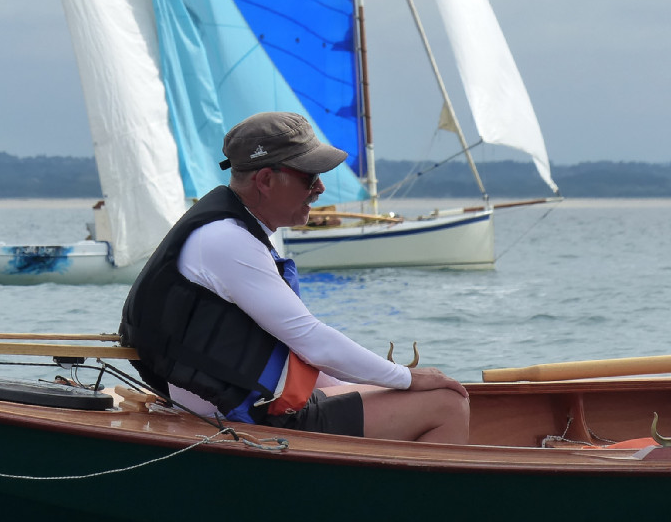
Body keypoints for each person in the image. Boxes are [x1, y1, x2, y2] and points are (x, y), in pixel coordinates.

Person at [120, 112, 469, 444]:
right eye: (308, 177)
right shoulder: (228, 240)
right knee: (446, 404)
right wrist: (407, 378)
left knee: (418, 390)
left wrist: (386, 383)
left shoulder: (230, 231)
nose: (319, 188)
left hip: (239, 403)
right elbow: (312, 341)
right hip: (245, 417)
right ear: (266, 180)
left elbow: (303, 353)